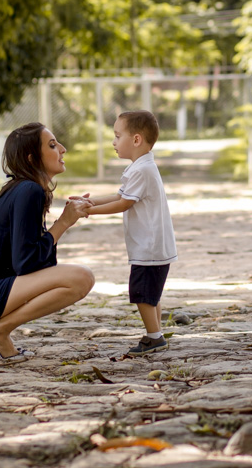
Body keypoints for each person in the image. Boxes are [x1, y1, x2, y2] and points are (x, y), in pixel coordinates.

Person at [0, 122, 94, 362]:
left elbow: (33, 264)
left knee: (78, 277)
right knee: (81, 278)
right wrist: (63, 223)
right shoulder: (28, 191)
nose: (63, 149)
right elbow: (26, 264)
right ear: (31, 158)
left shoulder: (24, 189)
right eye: (52, 145)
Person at [74, 110, 177, 355]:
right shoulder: (141, 167)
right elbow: (120, 195)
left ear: (137, 140)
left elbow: (123, 204)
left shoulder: (142, 170)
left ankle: (154, 337)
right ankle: (156, 332)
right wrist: (91, 202)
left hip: (149, 247)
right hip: (152, 246)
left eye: (117, 136)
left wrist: (90, 213)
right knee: (151, 294)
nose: (113, 142)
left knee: (142, 293)